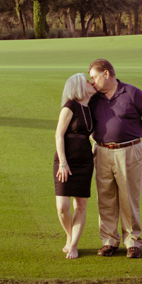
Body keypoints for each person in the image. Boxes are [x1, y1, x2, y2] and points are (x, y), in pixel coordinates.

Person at [88, 59, 142, 259]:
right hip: (101, 151)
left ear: (106, 74)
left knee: (129, 198)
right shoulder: (93, 98)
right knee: (105, 198)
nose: (92, 82)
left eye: (94, 77)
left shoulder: (133, 93)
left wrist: (132, 137)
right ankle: (109, 241)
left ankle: (132, 242)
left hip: (129, 152)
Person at [53, 73, 97, 259]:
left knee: (81, 204)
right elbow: (59, 135)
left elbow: (93, 134)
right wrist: (63, 162)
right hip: (65, 161)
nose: (91, 82)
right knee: (62, 205)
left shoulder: (91, 107)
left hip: (85, 161)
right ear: (79, 86)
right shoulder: (70, 106)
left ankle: (73, 244)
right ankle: (69, 236)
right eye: (87, 81)